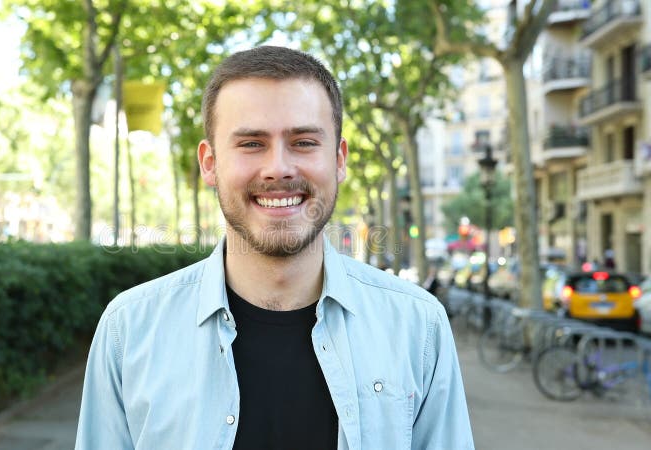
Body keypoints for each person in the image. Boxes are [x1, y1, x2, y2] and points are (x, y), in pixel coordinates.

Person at [75, 46, 473, 450]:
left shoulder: (418, 327)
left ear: (339, 159)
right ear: (209, 163)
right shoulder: (129, 330)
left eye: (303, 142)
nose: (278, 167)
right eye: (251, 144)